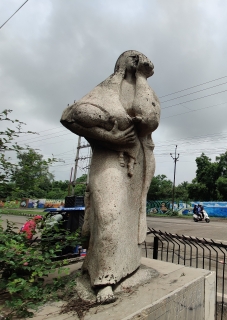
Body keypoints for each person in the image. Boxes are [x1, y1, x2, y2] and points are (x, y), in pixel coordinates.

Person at [60, 50, 160, 302]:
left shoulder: (145, 90)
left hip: (137, 166)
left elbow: (148, 118)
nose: (139, 60)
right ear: (121, 62)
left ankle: (125, 269)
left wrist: (143, 79)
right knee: (109, 215)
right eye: (134, 57)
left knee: (126, 219)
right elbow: (69, 116)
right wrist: (110, 138)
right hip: (108, 161)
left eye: (142, 58)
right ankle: (103, 278)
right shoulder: (106, 88)